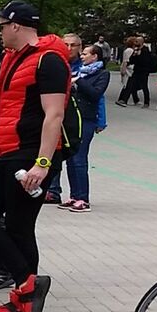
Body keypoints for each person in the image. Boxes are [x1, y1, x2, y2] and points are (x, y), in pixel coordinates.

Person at [0, 1, 69, 312]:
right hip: (10, 152)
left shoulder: (49, 60)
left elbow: (54, 115)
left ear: (16, 25)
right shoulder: (14, 59)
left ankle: (26, 286)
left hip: (29, 155)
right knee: (16, 227)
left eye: (1, 25)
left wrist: (42, 163)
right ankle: (25, 293)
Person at [50, 44, 109, 212]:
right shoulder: (79, 71)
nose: (81, 56)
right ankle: (74, 196)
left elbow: (95, 94)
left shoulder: (101, 74)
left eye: (85, 54)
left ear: (95, 56)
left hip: (87, 119)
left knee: (79, 159)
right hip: (74, 118)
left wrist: (80, 81)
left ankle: (83, 198)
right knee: (70, 157)